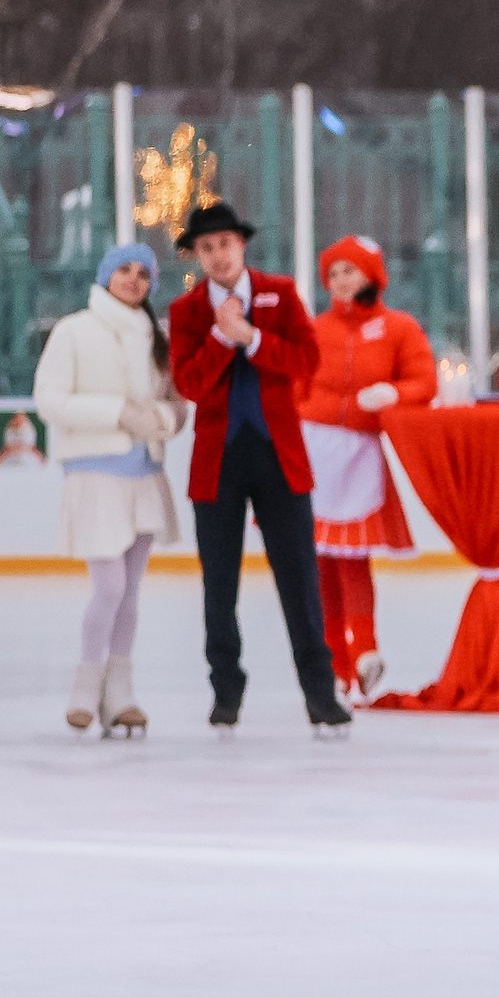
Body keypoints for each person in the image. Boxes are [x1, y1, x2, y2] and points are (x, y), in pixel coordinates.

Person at [166, 202, 352, 736]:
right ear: (197, 256)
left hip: (279, 458)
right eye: (206, 247)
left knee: (299, 578)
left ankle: (320, 692)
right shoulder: (187, 312)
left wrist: (253, 339)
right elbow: (191, 386)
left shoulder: (281, 292)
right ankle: (226, 689)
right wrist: (223, 339)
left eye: (225, 243)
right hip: (218, 462)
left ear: (241, 246)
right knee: (218, 583)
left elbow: (306, 362)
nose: (218, 255)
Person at [33, 244, 189, 736]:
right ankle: (86, 684)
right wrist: (116, 412)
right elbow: (49, 401)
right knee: (110, 587)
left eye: (144, 273)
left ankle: (119, 692)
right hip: (95, 476)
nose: (134, 279)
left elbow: (176, 404)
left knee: (131, 593)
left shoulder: (155, 337)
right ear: (105, 275)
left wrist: (158, 419)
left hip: (145, 475)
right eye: (124, 269)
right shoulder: (74, 330)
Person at [296, 235, 434, 698]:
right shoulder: (316, 329)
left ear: (372, 274)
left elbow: (424, 380)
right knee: (320, 563)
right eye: (332, 274)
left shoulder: (399, 328)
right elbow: (294, 384)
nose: (339, 280)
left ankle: (366, 651)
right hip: (314, 450)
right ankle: (336, 663)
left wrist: (394, 394)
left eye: (348, 271)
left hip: (359, 455)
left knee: (353, 560)